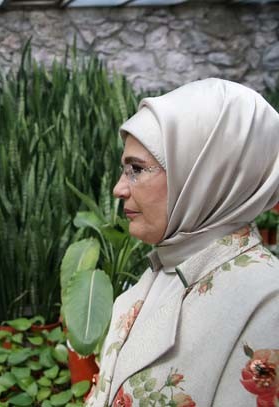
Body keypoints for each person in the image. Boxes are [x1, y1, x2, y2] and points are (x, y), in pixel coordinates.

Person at [85, 78, 279, 407]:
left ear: (205, 175)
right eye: (124, 168)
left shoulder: (267, 303)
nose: (119, 188)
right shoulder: (161, 274)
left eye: (136, 169)